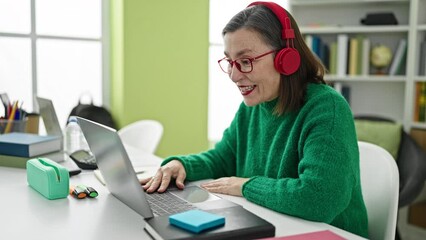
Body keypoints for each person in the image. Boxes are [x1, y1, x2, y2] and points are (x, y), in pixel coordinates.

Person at [141, 1, 368, 238]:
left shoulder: (327, 109)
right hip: (275, 225)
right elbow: (222, 158)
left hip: (328, 233)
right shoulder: (254, 105)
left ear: (286, 59)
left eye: (246, 61)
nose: (234, 75)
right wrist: (182, 165)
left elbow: (319, 198)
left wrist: (245, 185)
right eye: (230, 61)